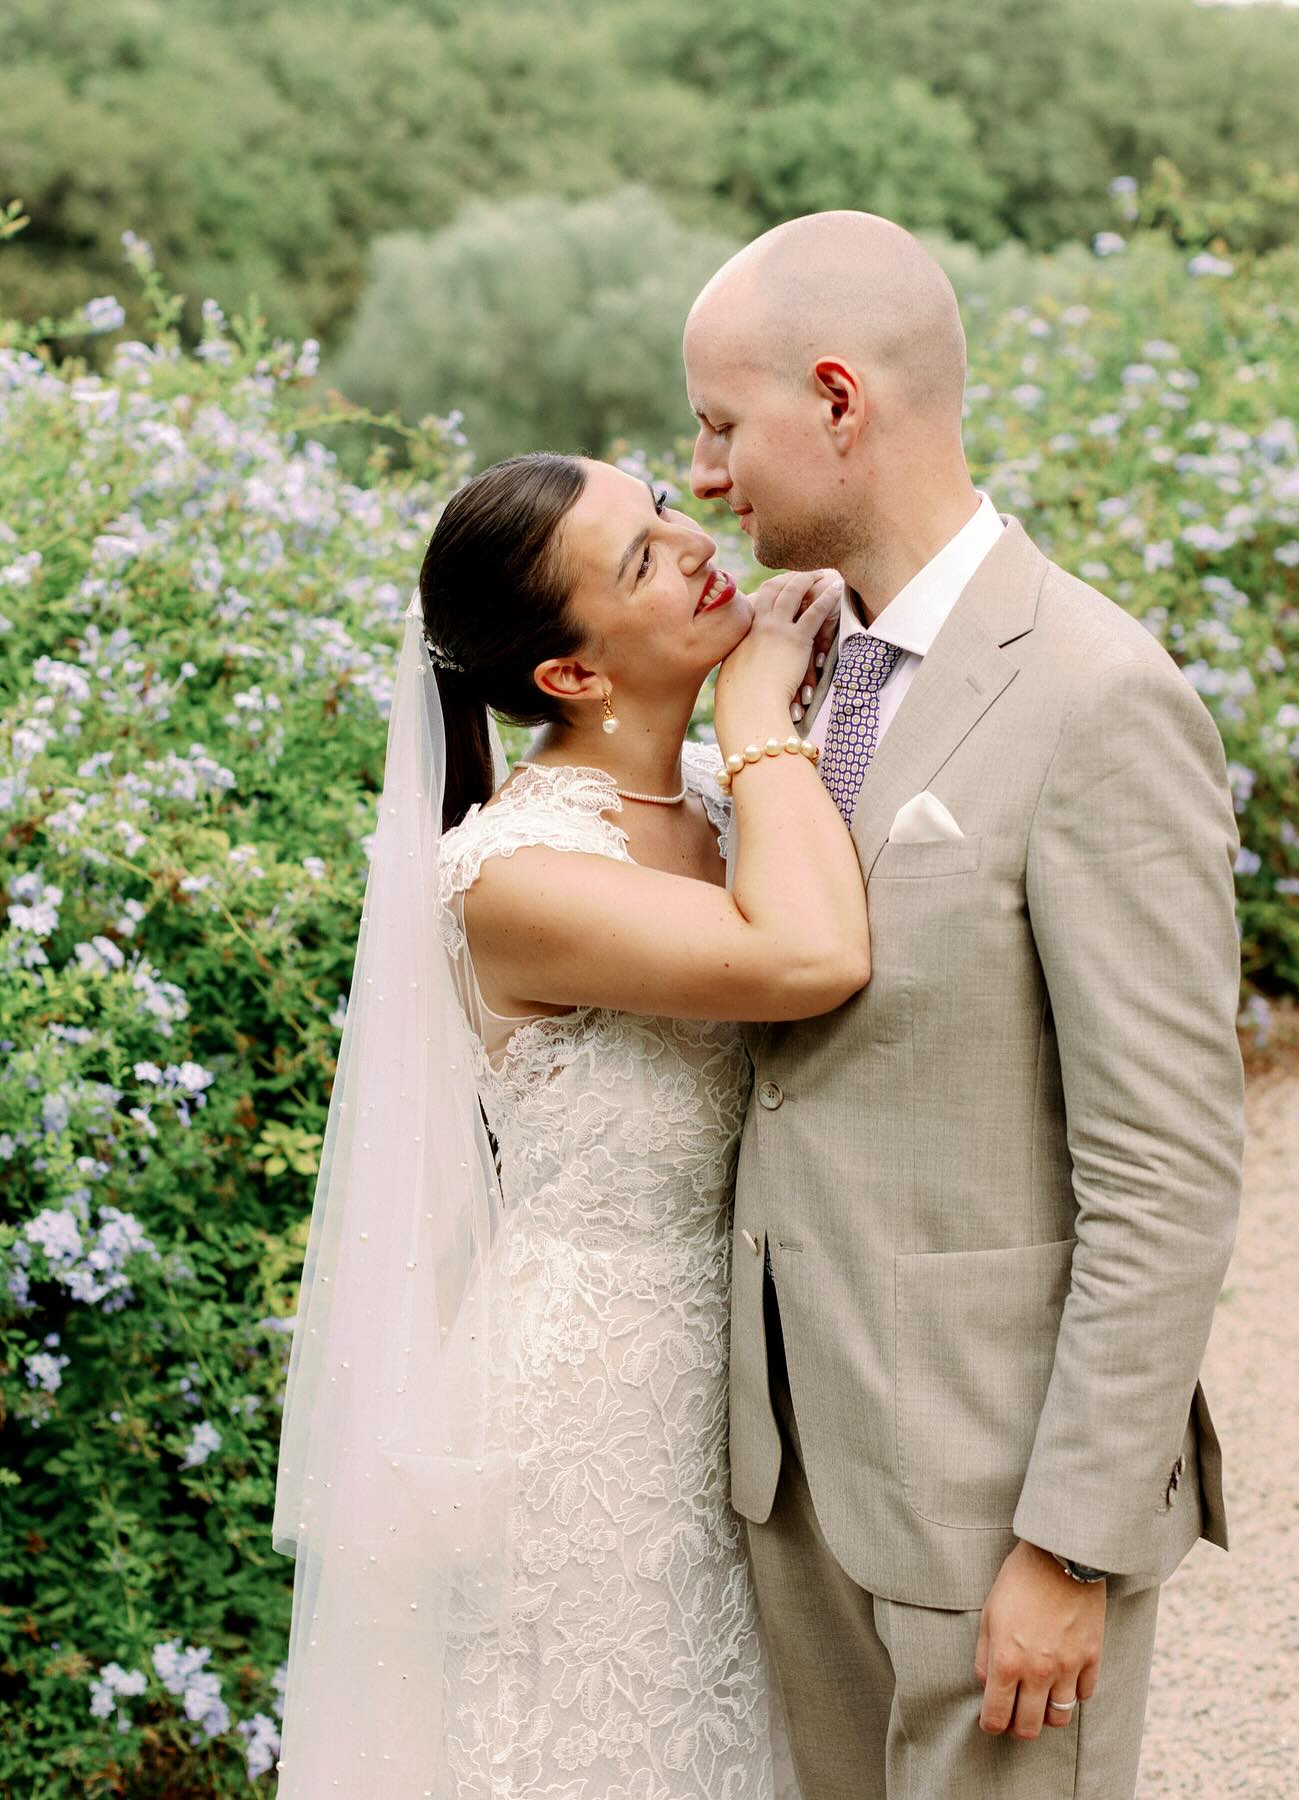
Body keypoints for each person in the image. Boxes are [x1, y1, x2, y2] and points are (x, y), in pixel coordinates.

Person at [683, 211, 1246, 1798]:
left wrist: (1069, 1542)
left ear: (841, 400)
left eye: (724, 424)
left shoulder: (1098, 695)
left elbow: (1169, 1162)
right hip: (792, 1474)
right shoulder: (788, 676)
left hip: (992, 1488)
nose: (705, 476)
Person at [273, 449, 862, 1796]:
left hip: (762, 1387)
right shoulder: (518, 876)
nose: (692, 538)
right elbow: (804, 958)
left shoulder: (726, 802)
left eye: (659, 501)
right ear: (574, 677)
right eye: (643, 558)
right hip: (592, 1416)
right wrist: (763, 701)